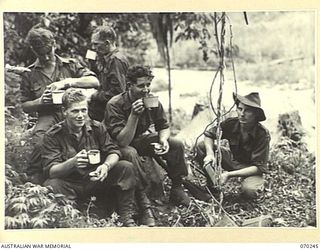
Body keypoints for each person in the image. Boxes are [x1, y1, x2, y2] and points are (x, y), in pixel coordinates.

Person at [41, 88, 137, 227]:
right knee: (52, 185)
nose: (80, 115)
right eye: (75, 111)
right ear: (64, 112)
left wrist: (105, 166)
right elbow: (51, 171)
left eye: (83, 110)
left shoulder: (96, 127)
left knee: (125, 167)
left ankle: (126, 217)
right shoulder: (53, 135)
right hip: (70, 184)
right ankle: (71, 217)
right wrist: (72, 163)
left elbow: (114, 151)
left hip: (95, 181)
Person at [20, 27, 99, 185]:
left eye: (48, 52)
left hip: (74, 111)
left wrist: (67, 82)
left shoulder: (69, 65)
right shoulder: (29, 73)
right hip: (48, 115)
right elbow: (24, 105)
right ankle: (39, 180)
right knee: (40, 139)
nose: (46, 57)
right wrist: (40, 101)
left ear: (54, 44)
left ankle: (92, 180)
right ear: (33, 50)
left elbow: (94, 82)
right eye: (41, 54)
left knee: (93, 136)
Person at [104, 65, 191, 207]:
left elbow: (163, 126)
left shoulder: (150, 100)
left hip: (138, 140)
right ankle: (142, 197)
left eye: (148, 85)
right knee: (131, 153)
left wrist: (163, 140)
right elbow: (123, 141)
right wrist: (134, 115)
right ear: (129, 85)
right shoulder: (115, 104)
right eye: (141, 86)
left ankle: (177, 187)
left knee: (176, 144)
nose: (146, 89)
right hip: (115, 146)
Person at [196, 92, 271, 199]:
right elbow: (209, 135)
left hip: (250, 168)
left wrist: (229, 174)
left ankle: (260, 184)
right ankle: (213, 185)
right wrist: (210, 153)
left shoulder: (262, 134)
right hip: (232, 160)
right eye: (240, 109)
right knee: (202, 146)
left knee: (250, 192)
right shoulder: (231, 123)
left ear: (256, 115)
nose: (242, 114)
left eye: (248, 111)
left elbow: (259, 167)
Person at [88, 25, 129, 122]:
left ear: (107, 43)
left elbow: (118, 93)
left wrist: (95, 96)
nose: (94, 48)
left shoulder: (116, 61)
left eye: (96, 44)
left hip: (114, 115)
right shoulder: (107, 59)